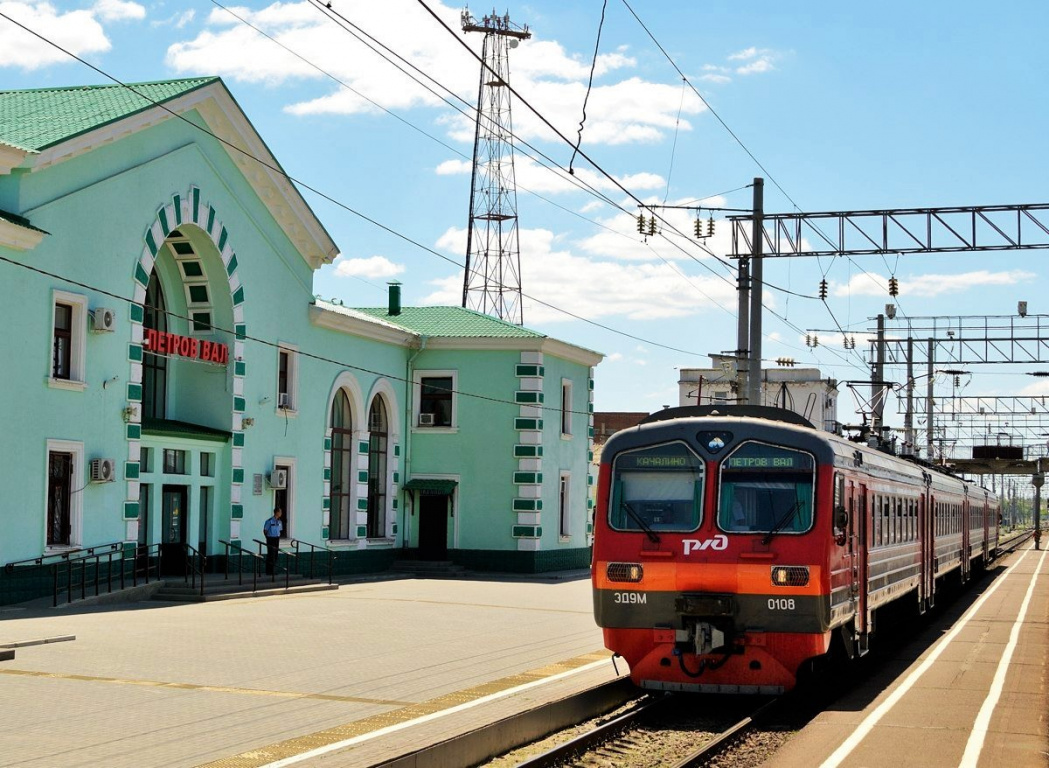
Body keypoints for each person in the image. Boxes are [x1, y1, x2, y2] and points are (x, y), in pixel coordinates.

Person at [263, 507, 283, 576]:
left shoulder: (279, 522)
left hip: (276, 539)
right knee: (270, 554)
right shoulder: (269, 521)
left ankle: (274, 570)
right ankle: (269, 571)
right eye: (280, 512)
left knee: (275, 554)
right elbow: (265, 530)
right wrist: (268, 537)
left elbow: (280, 531)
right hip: (270, 539)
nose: (281, 513)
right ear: (276, 512)